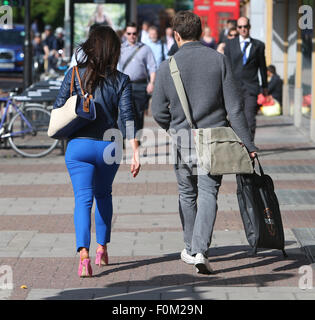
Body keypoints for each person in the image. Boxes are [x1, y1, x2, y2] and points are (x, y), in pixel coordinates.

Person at [151, 11, 257, 274]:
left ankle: (190, 246)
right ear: (200, 32)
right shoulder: (219, 61)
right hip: (214, 140)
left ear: (176, 35)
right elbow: (235, 109)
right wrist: (249, 145)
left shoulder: (167, 66)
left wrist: (172, 127)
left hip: (182, 139)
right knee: (209, 192)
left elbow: (157, 112)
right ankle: (200, 250)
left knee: (187, 193)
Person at [53, 25, 141, 277]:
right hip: (108, 147)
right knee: (104, 195)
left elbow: (58, 108)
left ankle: (84, 256)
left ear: (90, 46)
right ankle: (102, 249)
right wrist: (135, 152)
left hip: (78, 146)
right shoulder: (121, 79)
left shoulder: (73, 75)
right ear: (113, 50)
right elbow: (127, 118)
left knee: (83, 199)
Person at [224, 16, 268, 141]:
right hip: (234, 89)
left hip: (251, 89)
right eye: (240, 27)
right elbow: (226, 66)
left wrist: (265, 87)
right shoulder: (230, 44)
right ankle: (237, 148)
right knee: (234, 120)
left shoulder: (258, 45)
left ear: (249, 27)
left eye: (245, 26)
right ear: (237, 28)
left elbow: (262, 67)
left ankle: (250, 150)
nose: (243, 29)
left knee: (250, 120)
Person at [118, 22, 157, 136]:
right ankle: (124, 137)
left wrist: (151, 83)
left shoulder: (145, 49)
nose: (132, 36)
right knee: (123, 111)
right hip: (124, 85)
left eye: (134, 33)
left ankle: (136, 138)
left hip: (140, 85)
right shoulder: (120, 49)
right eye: (129, 33)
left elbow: (152, 67)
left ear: (138, 34)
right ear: (125, 34)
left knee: (139, 113)